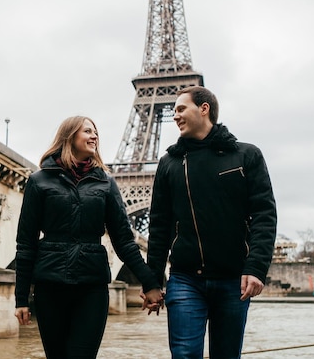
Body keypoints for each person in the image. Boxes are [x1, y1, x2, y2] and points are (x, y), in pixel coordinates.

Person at [143, 86, 277, 358]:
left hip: (233, 279)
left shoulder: (246, 155)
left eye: (181, 108)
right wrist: (152, 280)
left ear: (204, 109)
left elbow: (264, 214)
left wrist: (256, 267)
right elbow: (159, 226)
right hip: (185, 278)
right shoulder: (169, 163)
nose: (175, 115)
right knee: (184, 355)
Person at [14, 116, 164, 359]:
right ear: (69, 135)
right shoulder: (38, 181)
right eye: (87, 131)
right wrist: (21, 298)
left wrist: (151, 283)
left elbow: (124, 240)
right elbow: (26, 243)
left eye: (96, 132)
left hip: (91, 288)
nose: (94, 136)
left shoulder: (105, 182)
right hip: (50, 287)